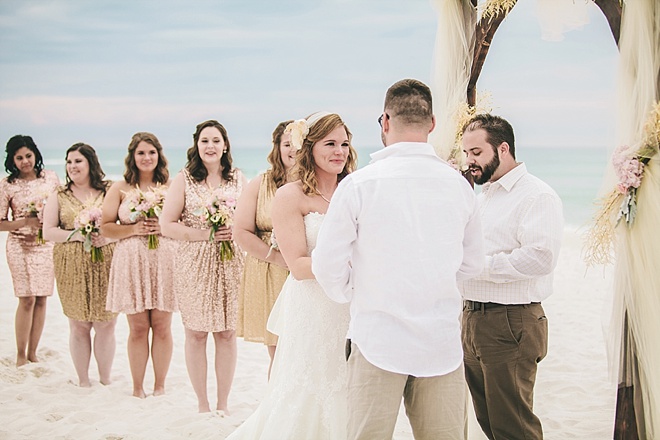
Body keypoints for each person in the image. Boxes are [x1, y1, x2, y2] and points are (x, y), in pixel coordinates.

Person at [312, 79, 484, 440]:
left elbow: (327, 265)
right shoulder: (458, 187)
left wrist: (356, 292)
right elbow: (472, 264)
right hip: (440, 342)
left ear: (385, 122)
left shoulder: (358, 185)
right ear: (432, 123)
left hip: (378, 338)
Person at [227, 112, 357, 439]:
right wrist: (355, 265)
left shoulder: (355, 189)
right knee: (309, 384)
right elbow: (298, 265)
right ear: (309, 148)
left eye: (344, 143)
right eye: (330, 143)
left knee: (351, 383)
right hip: (313, 305)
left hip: (353, 304)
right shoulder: (290, 195)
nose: (339, 151)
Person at [459, 113, 563, 440]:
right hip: (473, 318)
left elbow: (540, 257)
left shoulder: (536, 195)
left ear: (503, 149)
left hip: (510, 320)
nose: (469, 161)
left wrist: (477, 266)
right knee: (490, 422)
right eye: (466, 153)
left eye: (476, 153)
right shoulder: (484, 196)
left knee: (514, 427)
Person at [160, 120, 246, 413]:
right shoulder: (184, 179)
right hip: (193, 262)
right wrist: (205, 235)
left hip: (230, 261)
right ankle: (203, 403)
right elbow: (167, 225)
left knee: (226, 332)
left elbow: (247, 222)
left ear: (225, 146)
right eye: (204, 141)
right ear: (197, 146)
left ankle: (223, 402)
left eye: (216, 140)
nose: (210, 146)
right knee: (196, 333)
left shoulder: (238, 179)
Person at [101, 132, 178, 398]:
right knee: (137, 328)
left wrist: (163, 227)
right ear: (132, 157)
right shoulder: (120, 187)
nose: (147, 158)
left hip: (164, 260)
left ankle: (160, 385)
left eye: (151, 152)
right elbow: (106, 228)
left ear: (159, 155)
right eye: (141, 153)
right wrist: (134, 229)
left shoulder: (172, 185)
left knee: (162, 326)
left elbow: (183, 224)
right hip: (131, 261)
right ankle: (137, 387)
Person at [42, 142, 117, 387]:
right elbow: (49, 232)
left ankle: (105, 378)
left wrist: (104, 237)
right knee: (78, 324)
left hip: (106, 260)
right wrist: (77, 235)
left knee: (106, 323)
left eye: (78, 161)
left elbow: (121, 225)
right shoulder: (59, 195)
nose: (72, 166)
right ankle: (83, 380)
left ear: (90, 164)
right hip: (70, 262)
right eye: (69, 161)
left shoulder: (109, 190)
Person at [234, 120, 294, 377]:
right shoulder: (261, 183)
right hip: (271, 271)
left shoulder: (319, 182)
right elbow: (241, 232)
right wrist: (277, 257)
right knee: (280, 352)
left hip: (307, 270)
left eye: (299, 143)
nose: (294, 149)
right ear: (277, 148)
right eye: (287, 144)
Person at [0, 135, 60, 367]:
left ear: (35, 155)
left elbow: (60, 207)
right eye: (19, 158)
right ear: (12, 160)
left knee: (42, 299)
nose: (25, 161)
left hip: (46, 245)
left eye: (28, 156)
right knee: (26, 299)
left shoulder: (50, 178)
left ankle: (33, 352)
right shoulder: (7, 184)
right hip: (20, 246)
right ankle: (20, 354)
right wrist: (24, 222)